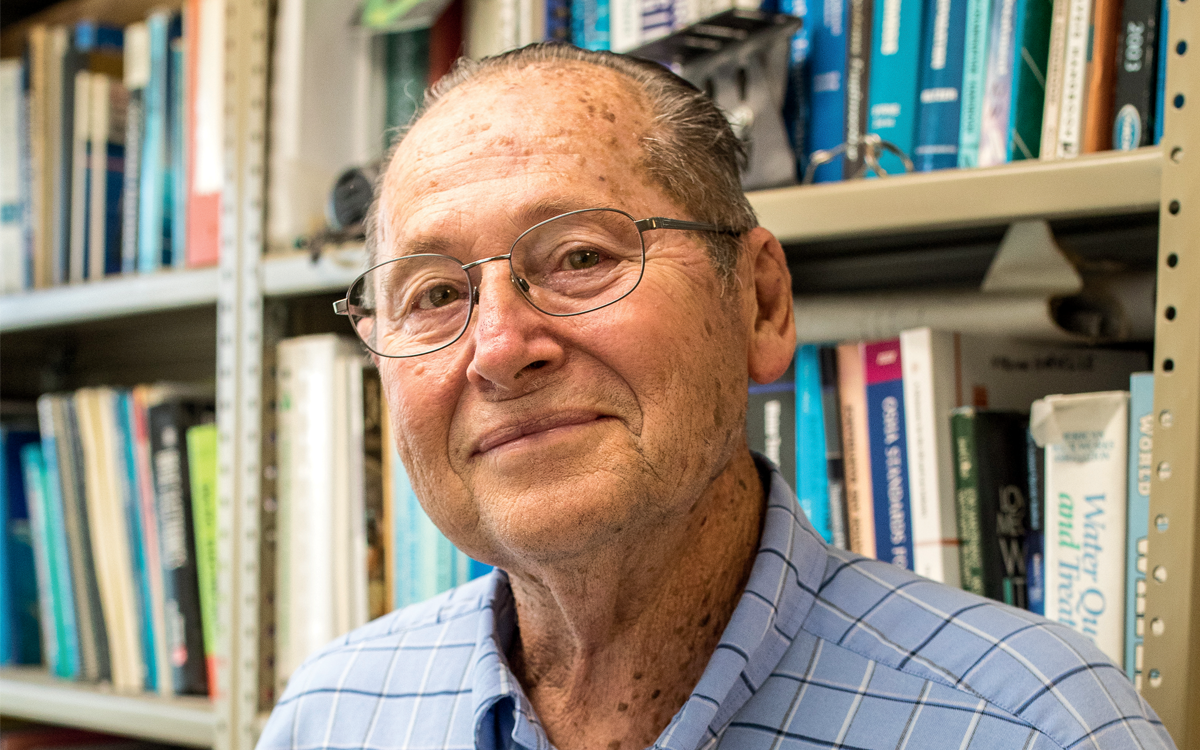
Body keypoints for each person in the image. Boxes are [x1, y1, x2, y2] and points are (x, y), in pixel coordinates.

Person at [256, 44, 1175, 750]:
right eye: (435, 294)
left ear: (761, 302)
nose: (498, 350)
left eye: (581, 257)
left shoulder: (1031, 728)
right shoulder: (334, 712)